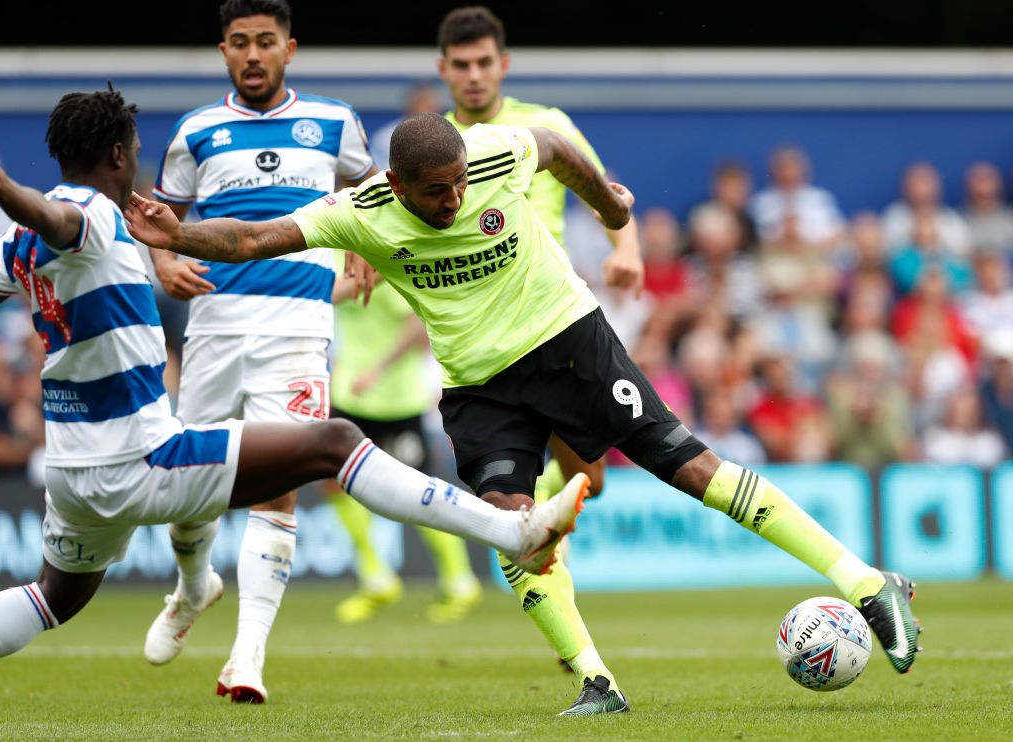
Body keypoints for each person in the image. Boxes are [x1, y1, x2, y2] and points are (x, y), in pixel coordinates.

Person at [127, 111, 924, 716]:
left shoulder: (493, 153)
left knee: (692, 469)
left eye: (458, 186)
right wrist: (179, 233)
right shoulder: (360, 210)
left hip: (569, 342)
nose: (453, 200)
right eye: (435, 193)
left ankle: (864, 582)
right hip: (480, 388)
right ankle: (595, 679)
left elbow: (552, 143)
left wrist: (608, 207)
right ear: (399, 186)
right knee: (515, 529)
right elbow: (258, 235)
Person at [0, 90, 585, 672]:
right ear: (120, 156)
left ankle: (203, 600)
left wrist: (16, 202)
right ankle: (511, 530)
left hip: (69, 470)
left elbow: (36, 232)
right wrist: (5, 189)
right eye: (136, 150)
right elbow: (59, 217)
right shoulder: (89, 213)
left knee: (54, 597)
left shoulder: (13, 244)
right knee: (334, 443)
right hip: (142, 457)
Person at [145, 0, 379, 703]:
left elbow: (368, 194)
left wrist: (367, 251)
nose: (253, 54)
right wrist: (162, 266)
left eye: (265, 43)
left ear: (289, 49)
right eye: (240, 43)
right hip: (215, 328)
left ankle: (247, 659)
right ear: (223, 51)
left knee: (280, 483)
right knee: (189, 484)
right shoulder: (196, 131)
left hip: (298, 330)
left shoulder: (336, 123)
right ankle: (193, 588)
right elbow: (160, 220)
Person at [435, 6, 640, 705]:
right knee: (527, 506)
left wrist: (629, 252)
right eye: (459, 65)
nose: (472, 75)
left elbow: (600, 189)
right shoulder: (431, 145)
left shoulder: (539, 124)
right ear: (444, 71)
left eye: (482, 62)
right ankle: (577, 646)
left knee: (592, 483)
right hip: (486, 353)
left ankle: (545, 543)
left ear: (502, 65)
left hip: (556, 326)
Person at [328, 83, 482, 626]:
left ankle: (458, 577)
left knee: (416, 487)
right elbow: (328, 296)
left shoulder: (400, 248)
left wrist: (380, 368)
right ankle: (375, 574)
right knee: (334, 480)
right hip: (350, 388)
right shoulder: (340, 246)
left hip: (394, 393)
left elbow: (419, 325)